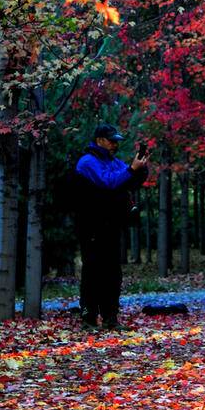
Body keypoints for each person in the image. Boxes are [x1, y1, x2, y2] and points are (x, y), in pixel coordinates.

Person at [73, 125, 149, 328]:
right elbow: (110, 182)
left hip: (110, 225)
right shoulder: (88, 162)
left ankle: (110, 318)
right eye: (111, 140)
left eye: (116, 141)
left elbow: (127, 180)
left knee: (112, 272)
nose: (115, 144)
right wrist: (132, 169)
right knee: (93, 271)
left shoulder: (112, 162)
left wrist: (140, 169)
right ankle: (88, 318)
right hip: (91, 226)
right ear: (99, 140)